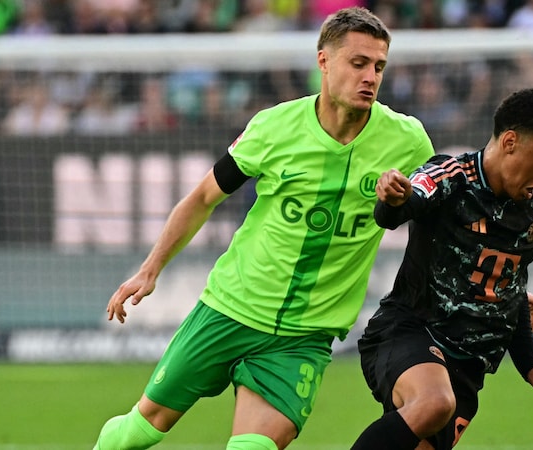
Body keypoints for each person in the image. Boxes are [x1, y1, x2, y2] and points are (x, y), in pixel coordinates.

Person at [92, 7, 436, 450]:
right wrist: (150, 268)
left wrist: (507, 288)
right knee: (137, 434)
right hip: (229, 309)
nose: (370, 76)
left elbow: (445, 223)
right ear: (324, 62)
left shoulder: (408, 141)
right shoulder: (275, 127)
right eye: (358, 63)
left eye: (378, 66)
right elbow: (202, 198)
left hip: (303, 337)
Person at [351, 88, 533, 450]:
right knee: (434, 403)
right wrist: (393, 199)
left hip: (468, 368)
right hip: (410, 331)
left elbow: (511, 286)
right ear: (510, 142)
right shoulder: (450, 176)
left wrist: (530, 366)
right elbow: (402, 205)